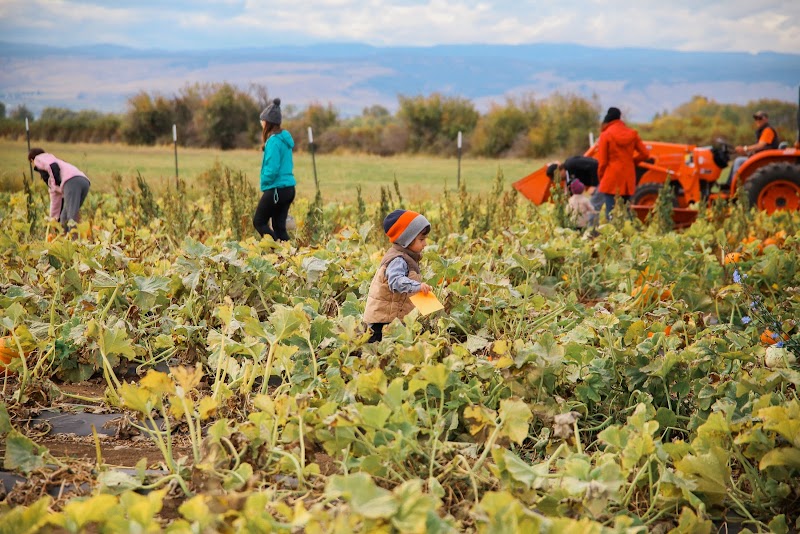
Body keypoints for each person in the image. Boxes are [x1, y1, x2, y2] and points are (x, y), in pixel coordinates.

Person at [364, 209, 433, 343]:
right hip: (383, 322)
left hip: (392, 319)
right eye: (421, 239)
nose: (425, 244)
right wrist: (418, 287)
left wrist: (427, 305)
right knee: (378, 353)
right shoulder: (398, 260)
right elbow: (395, 281)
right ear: (406, 241)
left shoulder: (407, 257)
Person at [593, 107, 650, 216]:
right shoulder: (632, 134)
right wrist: (632, 161)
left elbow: (603, 162)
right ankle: (628, 232)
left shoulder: (605, 135)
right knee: (626, 211)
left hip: (611, 177)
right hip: (628, 177)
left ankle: (611, 232)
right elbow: (645, 154)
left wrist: (601, 177)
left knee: (610, 211)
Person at [253, 98, 296, 241]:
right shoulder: (284, 139)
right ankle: (288, 257)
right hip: (289, 189)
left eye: (262, 121)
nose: (261, 123)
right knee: (279, 228)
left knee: (259, 222)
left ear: (267, 122)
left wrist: (265, 183)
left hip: (276, 189)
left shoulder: (273, 141)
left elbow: (272, 169)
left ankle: (276, 249)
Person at [28, 148, 91, 233]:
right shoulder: (52, 176)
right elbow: (55, 202)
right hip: (84, 182)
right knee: (64, 216)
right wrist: (53, 220)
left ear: (32, 160)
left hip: (71, 181)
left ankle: (74, 242)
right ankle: (63, 238)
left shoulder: (39, 159)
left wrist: (57, 183)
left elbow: (53, 166)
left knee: (71, 216)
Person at [723, 110, 780, 188]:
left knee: (738, 161)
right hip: (762, 157)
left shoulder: (767, 130)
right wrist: (745, 152)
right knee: (738, 160)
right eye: (756, 118)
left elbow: (761, 145)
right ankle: (729, 184)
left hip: (765, 159)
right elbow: (759, 148)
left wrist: (745, 148)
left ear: (766, 119)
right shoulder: (762, 130)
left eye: (760, 118)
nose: (758, 121)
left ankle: (734, 187)